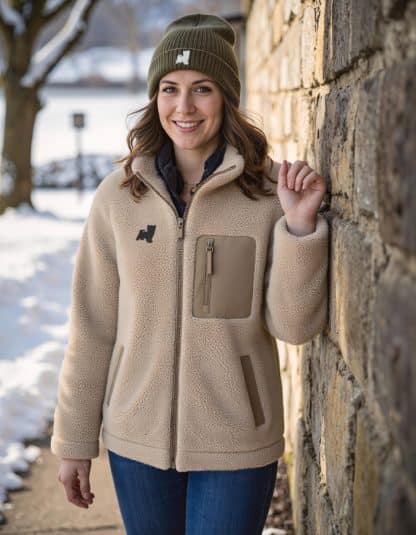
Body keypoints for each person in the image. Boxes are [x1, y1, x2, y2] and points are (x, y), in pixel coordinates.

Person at [51, 12, 329, 535]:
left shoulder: (268, 193)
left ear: (226, 97)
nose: (184, 107)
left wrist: (298, 228)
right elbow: (92, 327)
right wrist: (74, 442)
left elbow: (294, 327)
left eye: (202, 88)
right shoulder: (118, 197)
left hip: (237, 442)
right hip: (135, 441)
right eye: (170, 89)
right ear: (154, 97)